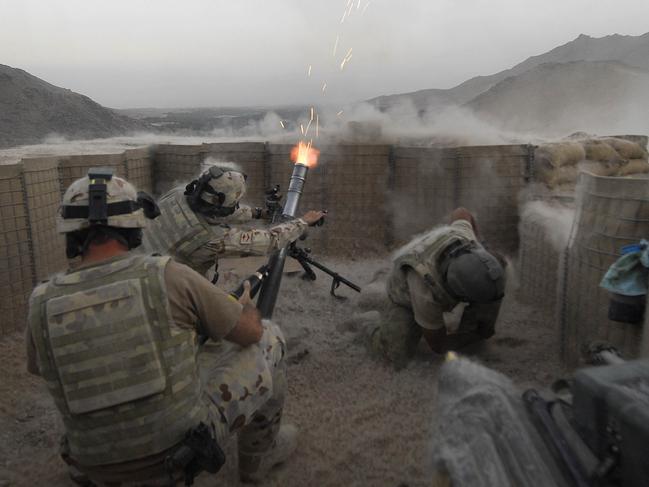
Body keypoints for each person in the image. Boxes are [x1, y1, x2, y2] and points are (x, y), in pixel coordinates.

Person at [25, 168, 295, 485]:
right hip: (175, 456)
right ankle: (258, 465)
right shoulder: (168, 276)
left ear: (69, 233)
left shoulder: (41, 303)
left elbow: (46, 370)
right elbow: (249, 332)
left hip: (91, 468)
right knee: (271, 338)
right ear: (134, 227)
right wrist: (246, 308)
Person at [368, 208, 506, 369]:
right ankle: (367, 323)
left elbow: (461, 213)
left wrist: (480, 240)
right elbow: (437, 344)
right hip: (404, 290)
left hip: (427, 253)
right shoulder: (426, 291)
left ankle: (474, 326)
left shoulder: (467, 239)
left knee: (498, 263)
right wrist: (474, 336)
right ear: (458, 294)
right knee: (396, 356)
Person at [141, 164, 325, 276]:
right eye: (234, 204)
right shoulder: (211, 240)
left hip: (139, 262)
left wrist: (257, 213)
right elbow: (270, 241)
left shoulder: (180, 193)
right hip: (164, 286)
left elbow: (213, 211)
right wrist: (303, 222)